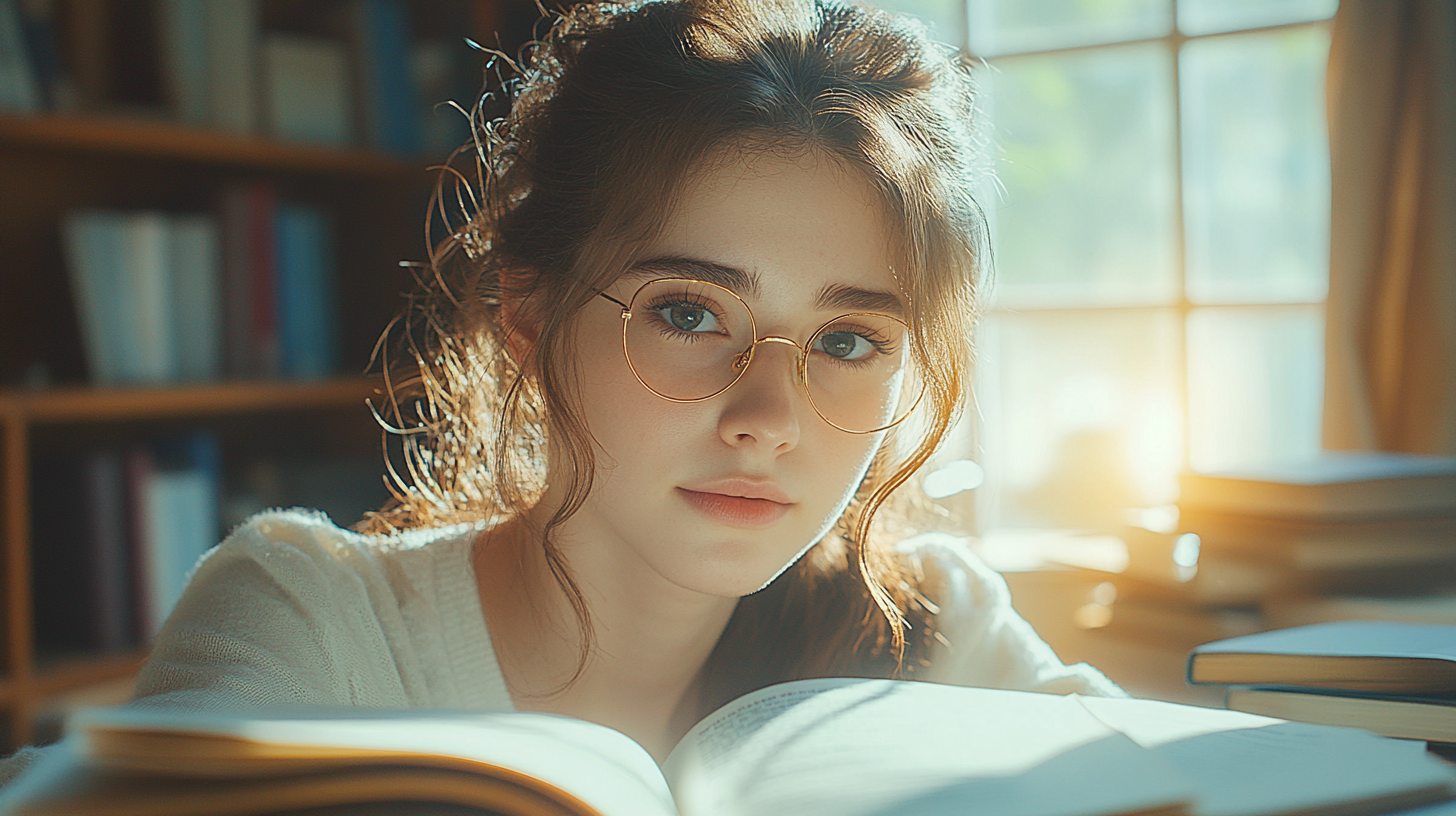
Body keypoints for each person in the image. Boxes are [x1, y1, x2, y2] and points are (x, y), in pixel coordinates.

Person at [0, 0, 1117, 783]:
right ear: (527, 315)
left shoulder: (929, 627)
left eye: (848, 339)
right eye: (689, 312)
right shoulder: (314, 628)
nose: (767, 418)